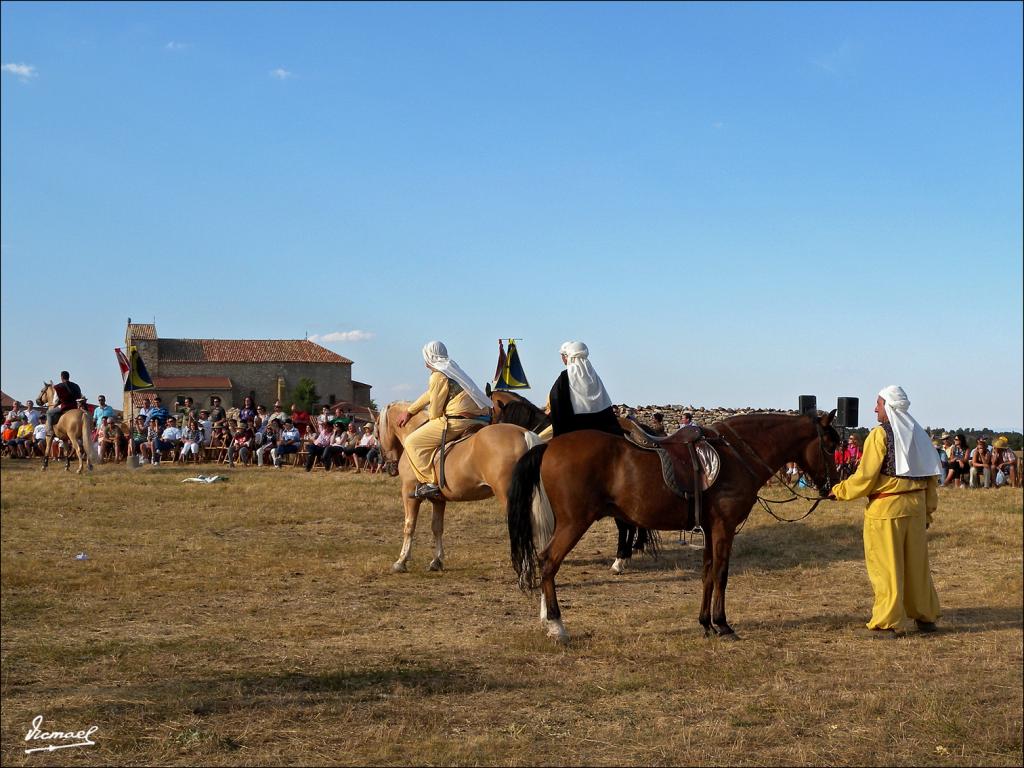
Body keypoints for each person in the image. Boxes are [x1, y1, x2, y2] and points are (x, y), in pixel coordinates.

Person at [829, 386, 942, 637]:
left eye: (878, 404)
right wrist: (928, 512)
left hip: (886, 510)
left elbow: (866, 476)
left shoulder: (879, 435)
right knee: (917, 567)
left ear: (888, 406)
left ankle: (888, 623)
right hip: (915, 510)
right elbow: (931, 477)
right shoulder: (918, 434)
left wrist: (840, 491)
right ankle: (925, 617)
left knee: (886, 568)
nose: (874, 409)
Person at [396, 341, 492, 498]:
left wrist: (425, 416)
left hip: (456, 421)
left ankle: (429, 484)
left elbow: (434, 413)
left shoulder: (437, 376)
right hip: (480, 420)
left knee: (411, 442)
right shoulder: (452, 370)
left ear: (429, 357)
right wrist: (410, 411)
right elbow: (430, 393)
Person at [45, 370, 84, 437]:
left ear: (61, 377)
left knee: (49, 413)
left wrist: (55, 404)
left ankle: (50, 431)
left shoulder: (58, 386)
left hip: (65, 406)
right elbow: (79, 396)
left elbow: (55, 401)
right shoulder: (76, 386)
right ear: (69, 377)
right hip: (75, 406)